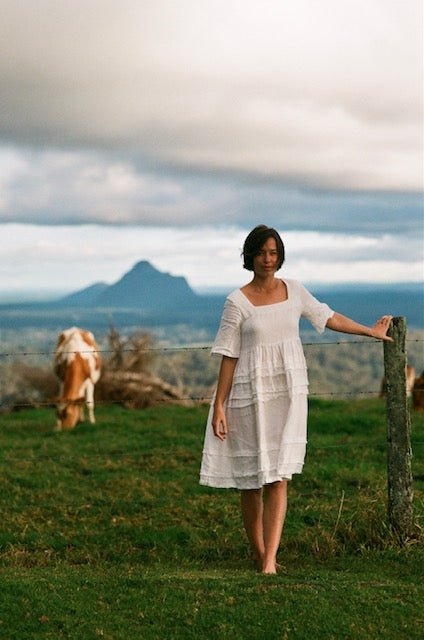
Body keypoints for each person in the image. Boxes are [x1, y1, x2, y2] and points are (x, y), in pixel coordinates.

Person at [199, 224, 393, 574]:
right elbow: (229, 355)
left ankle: (270, 560)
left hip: (287, 392)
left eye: (273, 253)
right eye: (261, 253)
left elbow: (327, 317)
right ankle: (259, 553)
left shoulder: (295, 290)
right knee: (251, 479)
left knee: (279, 475)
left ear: (280, 255)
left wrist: (371, 331)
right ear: (250, 256)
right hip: (247, 393)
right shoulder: (236, 301)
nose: (267, 259)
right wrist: (220, 406)